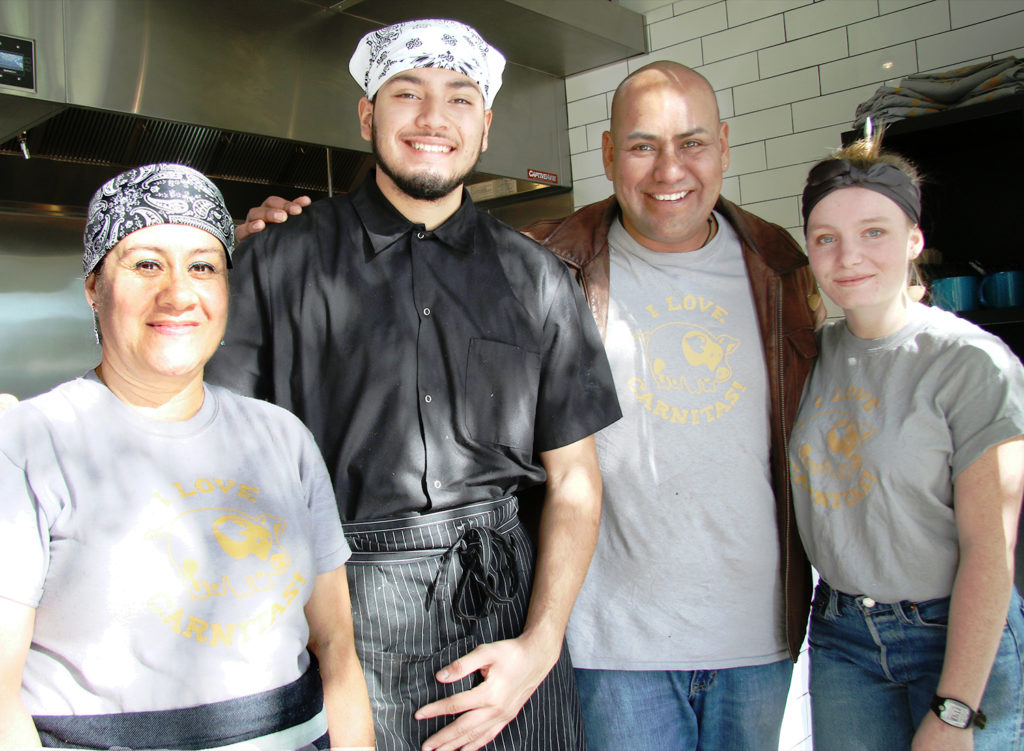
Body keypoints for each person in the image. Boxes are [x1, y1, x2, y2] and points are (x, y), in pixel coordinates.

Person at [240, 60, 821, 751]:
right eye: (641, 145)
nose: (670, 169)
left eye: (692, 143)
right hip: (579, 641)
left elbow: (581, 476)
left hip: (726, 635)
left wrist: (538, 647)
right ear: (608, 154)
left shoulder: (779, 266)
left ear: (724, 145)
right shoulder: (555, 259)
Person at [205, 19, 620, 751]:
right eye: (408, 93)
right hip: (340, 622)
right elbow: (224, 467)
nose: (434, 119)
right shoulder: (279, 263)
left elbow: (577, 480)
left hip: (508, 624)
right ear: (368, 114)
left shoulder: (540, 279)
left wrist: (541, 645)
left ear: (485, 127)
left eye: (460, 99)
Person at [0, 163, 374, 750]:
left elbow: (337, 652)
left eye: (203, 266)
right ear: (94, 286)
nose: (178, 292)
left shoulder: (283, 438)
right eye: (146, 263)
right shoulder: (26, 444)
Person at [792, 137, 1024, 750]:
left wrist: (955, 710)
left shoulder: (971, 363)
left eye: (874, 232)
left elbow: (990, 551)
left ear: (914, 240)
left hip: (952, 635)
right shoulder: (812, 354)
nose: (848, 257)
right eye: (826, 238)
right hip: (843, 636)